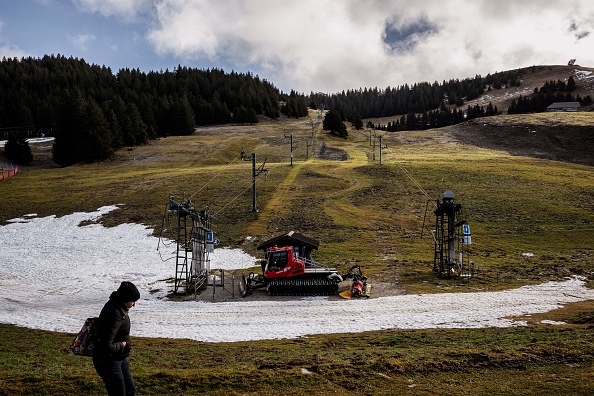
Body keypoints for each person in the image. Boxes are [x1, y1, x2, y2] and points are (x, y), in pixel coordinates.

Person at [93, 281, 140, 396]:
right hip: (109, 361)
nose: (134, 305)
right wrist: (123, 345)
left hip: (119, 358)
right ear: (125, 298)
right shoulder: (115, 313)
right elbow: (106, 346)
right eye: (133, 301)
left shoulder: (118, 307)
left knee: (130, 391)